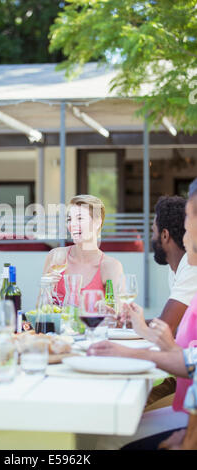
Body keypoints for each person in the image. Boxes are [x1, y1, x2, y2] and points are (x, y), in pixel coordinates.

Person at [85, 179, 197, 449]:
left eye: (191, 218)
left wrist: (190, 437)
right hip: (185, 406)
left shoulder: (190, 270)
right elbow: (189, 358)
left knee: (108, 437)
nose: (185, 230)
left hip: (184, 412)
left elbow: (186, 359)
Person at [42, 194, 124, 305]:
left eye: (80, 218)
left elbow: (119, 312)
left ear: (97, 222)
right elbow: (39, 311)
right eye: (69, 219)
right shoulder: (56, 257)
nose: (72, 224)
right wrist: (46, 289)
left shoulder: (111, 266)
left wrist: (106, 308)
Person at [150, 195, 197, 336]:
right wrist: (129, 322)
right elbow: (175, 325)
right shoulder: (176, 269)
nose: (152, 238)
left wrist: (134, 323)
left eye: (153, 231)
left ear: (165, 235)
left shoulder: (191, 267)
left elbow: (166, 327)